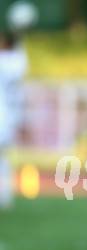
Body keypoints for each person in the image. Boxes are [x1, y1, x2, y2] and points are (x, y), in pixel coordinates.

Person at [0, 31, 27, 208]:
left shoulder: (7, 62)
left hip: (4, 114)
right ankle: (5, 195)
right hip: (8, 116)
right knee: (3, 159)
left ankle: (5, 195)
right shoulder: (18, 61)